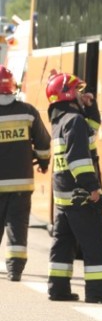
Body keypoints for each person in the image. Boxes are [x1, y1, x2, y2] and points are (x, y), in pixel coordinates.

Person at [45, 71, 102, 304]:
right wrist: (93, 189)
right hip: (80, 196)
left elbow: (91, 131)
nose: (82, 94)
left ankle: (58, 288)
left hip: (63, 197)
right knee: (95, 243)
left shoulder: (60, 121)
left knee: (63, 243)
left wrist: (90, 106)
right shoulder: (74, 121)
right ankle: (97, 293)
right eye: (78, 91)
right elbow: (78, 160)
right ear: (67, 93)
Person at [0, 66, 50, 282]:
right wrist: (43, 162)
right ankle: (14, 270)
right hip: (21, 184)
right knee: (17, 227)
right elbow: (44, 145)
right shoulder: (28, 112)